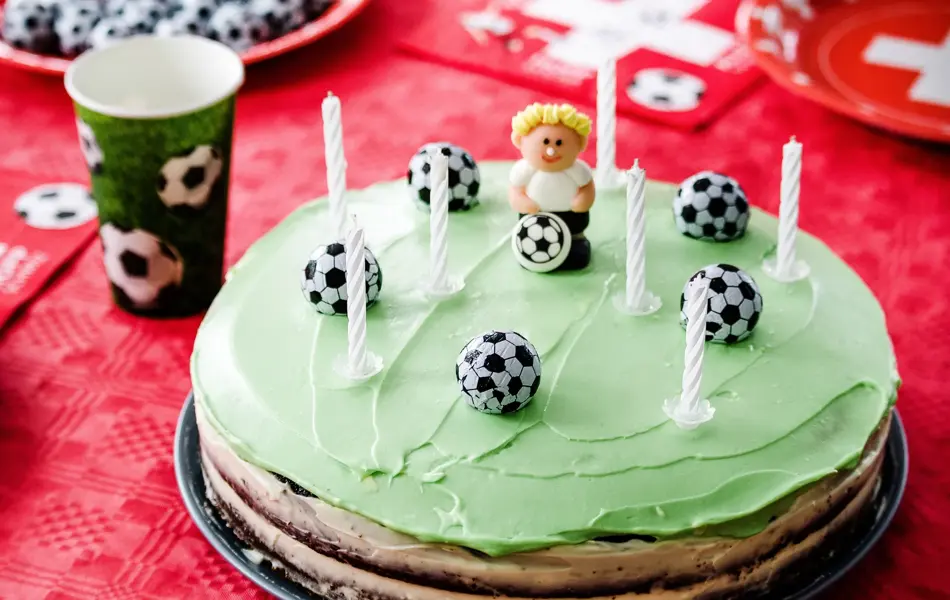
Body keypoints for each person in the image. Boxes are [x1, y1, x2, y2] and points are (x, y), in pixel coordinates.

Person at [509, 103, 595, 270]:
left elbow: (587, 188)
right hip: (535, 220)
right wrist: (522, 202)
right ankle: (531, 255)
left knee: (576, 250)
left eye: (559, 143)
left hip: (571, 219)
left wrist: (583, 200)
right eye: (546, 142)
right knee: (534, 241)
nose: (551, 151)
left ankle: (575, 247)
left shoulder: (577, 171)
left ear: (580, 144)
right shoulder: (525, 170)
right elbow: (515, 191)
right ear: (520, 140)